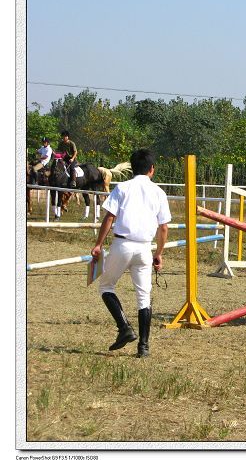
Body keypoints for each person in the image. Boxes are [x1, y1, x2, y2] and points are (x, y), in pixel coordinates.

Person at [91, 149, 171, 358]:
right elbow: (164, 228)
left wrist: (99, 244)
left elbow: (109, 218)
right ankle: (143, 346)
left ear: (133, 168)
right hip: (145, 248)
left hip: (122, 245)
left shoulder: (122, 188)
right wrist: (159, 253)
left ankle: (124, 328)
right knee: (144, 297)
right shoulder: (159, 193)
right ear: (151, 170)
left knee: (106, 286)